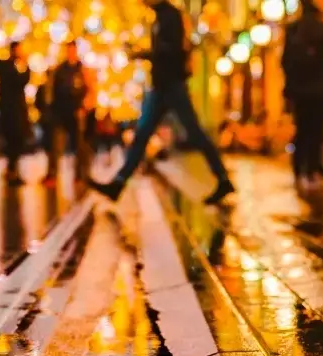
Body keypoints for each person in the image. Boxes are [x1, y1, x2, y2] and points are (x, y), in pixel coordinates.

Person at [88, 0, 234, 204]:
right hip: (162, 86)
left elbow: (171, 50)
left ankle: (223, 179)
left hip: (171, 85)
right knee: (142, 134)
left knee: (192, 133)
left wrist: (144, 54)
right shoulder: (160, 16)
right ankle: (118, 184)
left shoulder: (170, 16)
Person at [283, 0, 323, 188]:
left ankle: (298, 168)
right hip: (320, 88)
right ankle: (312, 169)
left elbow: (285, 60)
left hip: (300, 88)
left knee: (302, 127)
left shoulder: (293, 29)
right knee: (317, 128)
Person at [43, 41, 95, 188]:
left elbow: (91, 90)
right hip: (60, 111)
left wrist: (84, 107)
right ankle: (52, 174)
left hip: (76, 111)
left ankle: (80, 174)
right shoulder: (59, 70)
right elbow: (51, 91)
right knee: (56, 145)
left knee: (79, 144)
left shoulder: (82, 69)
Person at [0, 41, 31, 187]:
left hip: (14, 113)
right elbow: (21, 81)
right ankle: (12, 171)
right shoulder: (6, 67)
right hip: (11, 114)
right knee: (13, 143)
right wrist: (25, 65)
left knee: (16, 143)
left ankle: (12, 170)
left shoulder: (11, 67)